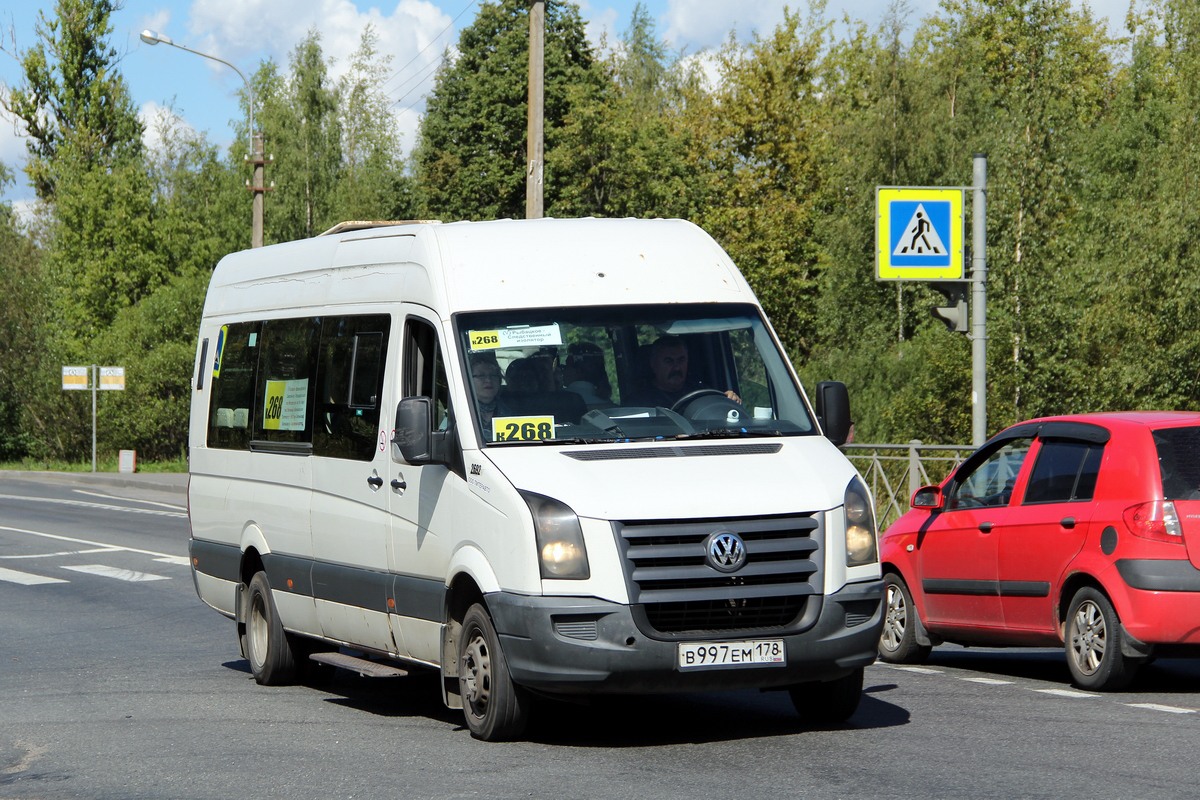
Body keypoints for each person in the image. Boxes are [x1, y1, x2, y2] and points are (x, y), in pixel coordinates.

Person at [627, 335, 740, 407]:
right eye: (669, 361)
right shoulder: (638, 403)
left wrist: (729, 401)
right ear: (653, 364)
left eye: (681, 360)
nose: (677, 368)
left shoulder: (703, 393)